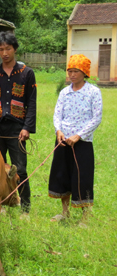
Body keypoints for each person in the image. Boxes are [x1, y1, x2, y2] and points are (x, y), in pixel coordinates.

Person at [0, 31, 37, 215]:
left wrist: (27, 127)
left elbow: (32, 101)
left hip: (17, 128)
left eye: (8, 48)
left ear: (15, 49)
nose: (5, 53)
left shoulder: (26, 73)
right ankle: (1, 204)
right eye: (1, 49)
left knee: (19, 168)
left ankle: (25, 208)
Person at [48, 54, 102, 224]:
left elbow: (96, 118)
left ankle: (85, 217)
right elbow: (57, 114)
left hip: (82, 142)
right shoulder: (65, 92)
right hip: (63, 141)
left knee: (82, 176)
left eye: (75, 71)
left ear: (84, 72)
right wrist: (59, 131)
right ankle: (65, 212)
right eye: (69, 71)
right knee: (62, 174)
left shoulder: (93, 92)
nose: (71, 75)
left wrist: (79, 135)